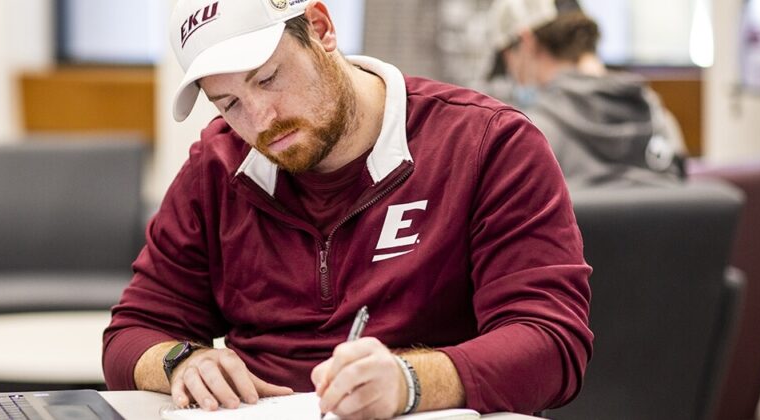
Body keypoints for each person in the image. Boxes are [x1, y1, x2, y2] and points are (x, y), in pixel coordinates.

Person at [102, 0, 593, 418]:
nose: (260, 121)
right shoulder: (217, 168)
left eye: (269, 78)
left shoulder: (487, 144)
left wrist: (408, 383)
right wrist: (181, 361)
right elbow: (132, 332)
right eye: (228, 103)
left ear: (321, 28)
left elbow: (550, 343)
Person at [487, 0, 687, 189]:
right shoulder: (658, 116)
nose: (511, 72)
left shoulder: (533, 134)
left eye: (506, 57)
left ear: (527, 42)